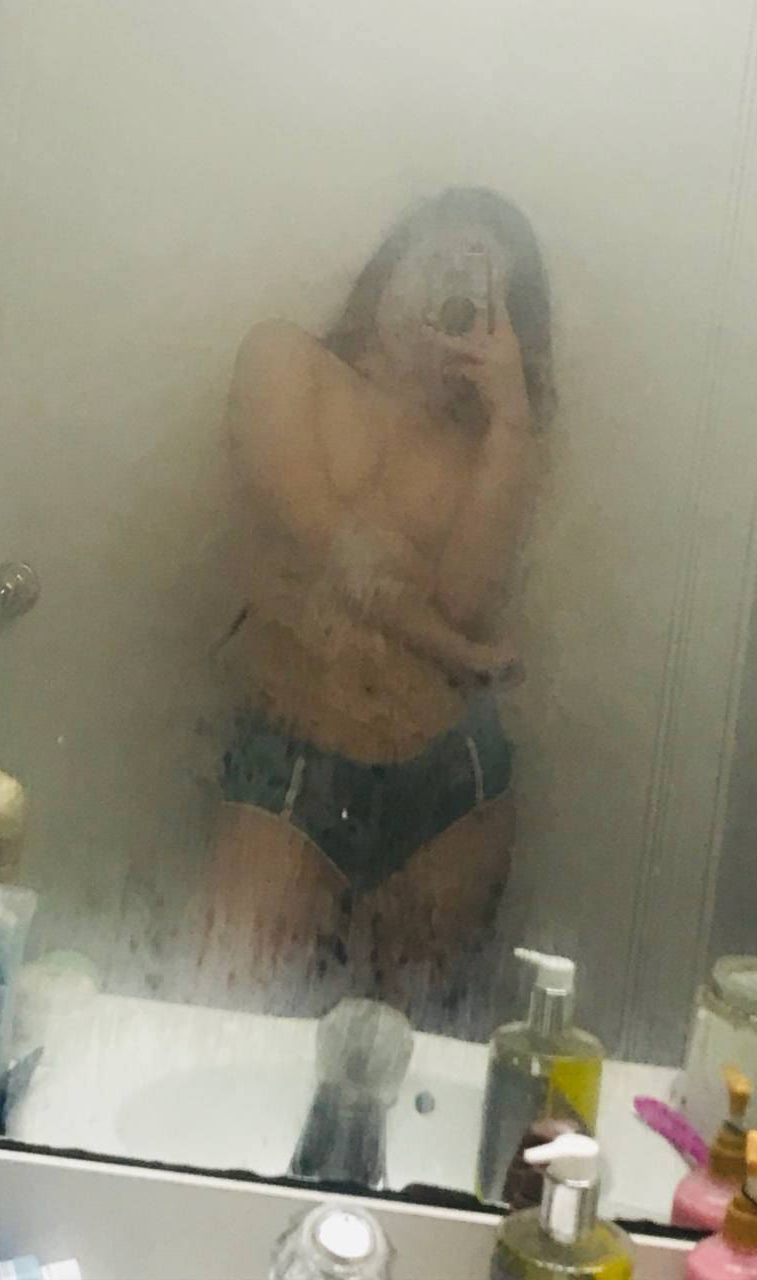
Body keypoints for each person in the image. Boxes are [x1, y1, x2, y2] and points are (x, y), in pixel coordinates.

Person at [199, 187, 556, 1031]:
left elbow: (466, 602)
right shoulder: (286, 360)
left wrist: (509, 421)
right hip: (292, 756)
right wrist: (457, 654)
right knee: (230, 1023)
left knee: (416, 1047)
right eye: (436, 262)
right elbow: (321, 535)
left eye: (477, 286)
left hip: (451, 779)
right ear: (390, 266)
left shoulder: (487, 447)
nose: (445, 293)